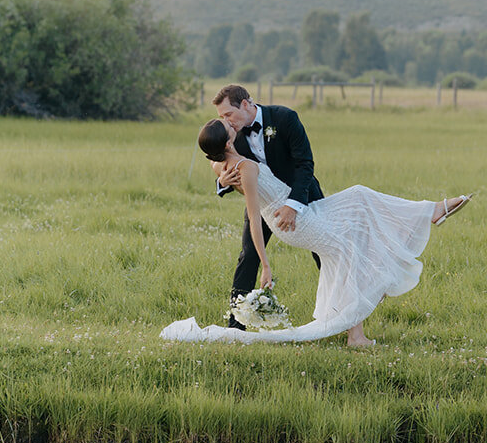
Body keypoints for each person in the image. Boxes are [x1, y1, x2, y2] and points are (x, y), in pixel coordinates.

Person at [161, 114, 471, 345]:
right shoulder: (246, 167)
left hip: (301, 208)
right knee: (349, 248)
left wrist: (220, 175)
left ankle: (429, 212)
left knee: (360, 198)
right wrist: (266, 265)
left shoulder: (224, 165)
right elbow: (253, 218)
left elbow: (217, 164)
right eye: (227, 125)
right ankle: (356, 327)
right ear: (228, 141)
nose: (231, 123)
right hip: (292, 220)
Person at [212, 85, 323, 329]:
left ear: (245, 104)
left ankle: (338, 311)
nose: (226, 122)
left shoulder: (284, 118)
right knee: (248, 255)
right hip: (262, 203)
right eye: (221, 118)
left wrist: (292, 205)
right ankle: (236, 324)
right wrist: (222, 182)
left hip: (302, 195)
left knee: (324, 252)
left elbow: (305, 164)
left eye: (228, 114)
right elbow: (220, 162)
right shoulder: (232, 135)